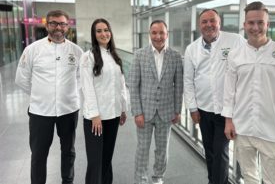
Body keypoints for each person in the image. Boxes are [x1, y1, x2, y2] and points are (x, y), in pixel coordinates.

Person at [222, 1, 275, 184]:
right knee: (249, 177)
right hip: (243, 128)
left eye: (260, 22)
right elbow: (229, 91)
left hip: (271, 130)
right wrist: (228, 121)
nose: (255, 27)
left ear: (267, 24)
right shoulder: (235, 55)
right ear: (244, 25)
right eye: (251, 23)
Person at [15, 10, 83, 184]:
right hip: (40, 112)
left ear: (67, 26)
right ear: (47, 25)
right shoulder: (32, 50)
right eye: (53, 23)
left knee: (69, 151)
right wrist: (41, 94)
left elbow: (80, 78)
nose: (58, 27)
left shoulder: (76, 51)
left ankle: (67, 181)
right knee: (39, 154)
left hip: (68, 110)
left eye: (62, 24)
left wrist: (68, 94)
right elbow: (22, 79)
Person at [184, 9, 245, 184]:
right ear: (199, 25)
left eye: (212, 21)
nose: (209, 24)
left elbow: (250, 68)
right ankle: (214, 181)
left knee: (220, 152)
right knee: (209, 150)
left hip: (227, 111)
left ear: (219, 23)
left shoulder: (235, 41)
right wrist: (192, 108)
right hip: (203, 110)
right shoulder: (191, 49)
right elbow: (188, 81)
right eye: (204, 21)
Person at [128, 20, 183, 184]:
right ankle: (141, 179)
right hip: (145, 112)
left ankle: (158, 176)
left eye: (161, 33)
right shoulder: (139, 55)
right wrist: (137, 112)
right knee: (142, 149)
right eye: (154, 33)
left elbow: (178, 86)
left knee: (162, 150)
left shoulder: (175, 56)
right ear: (149, 34)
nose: (158, 36)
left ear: (167, 34)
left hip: (166, 112)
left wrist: (178, 110)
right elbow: (133, 85)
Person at [80, 18, 127, 184]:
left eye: (106, 30)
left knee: (106, 158)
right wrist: (94, 115)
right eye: (99, 31)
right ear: (94, 34)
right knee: (95, 161)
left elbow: (121, 86)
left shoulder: (114, 56)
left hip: (113, 116)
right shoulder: (88, 57)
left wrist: (123, 109)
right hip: (96, 119)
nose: (103, 33)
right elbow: (87, 87)